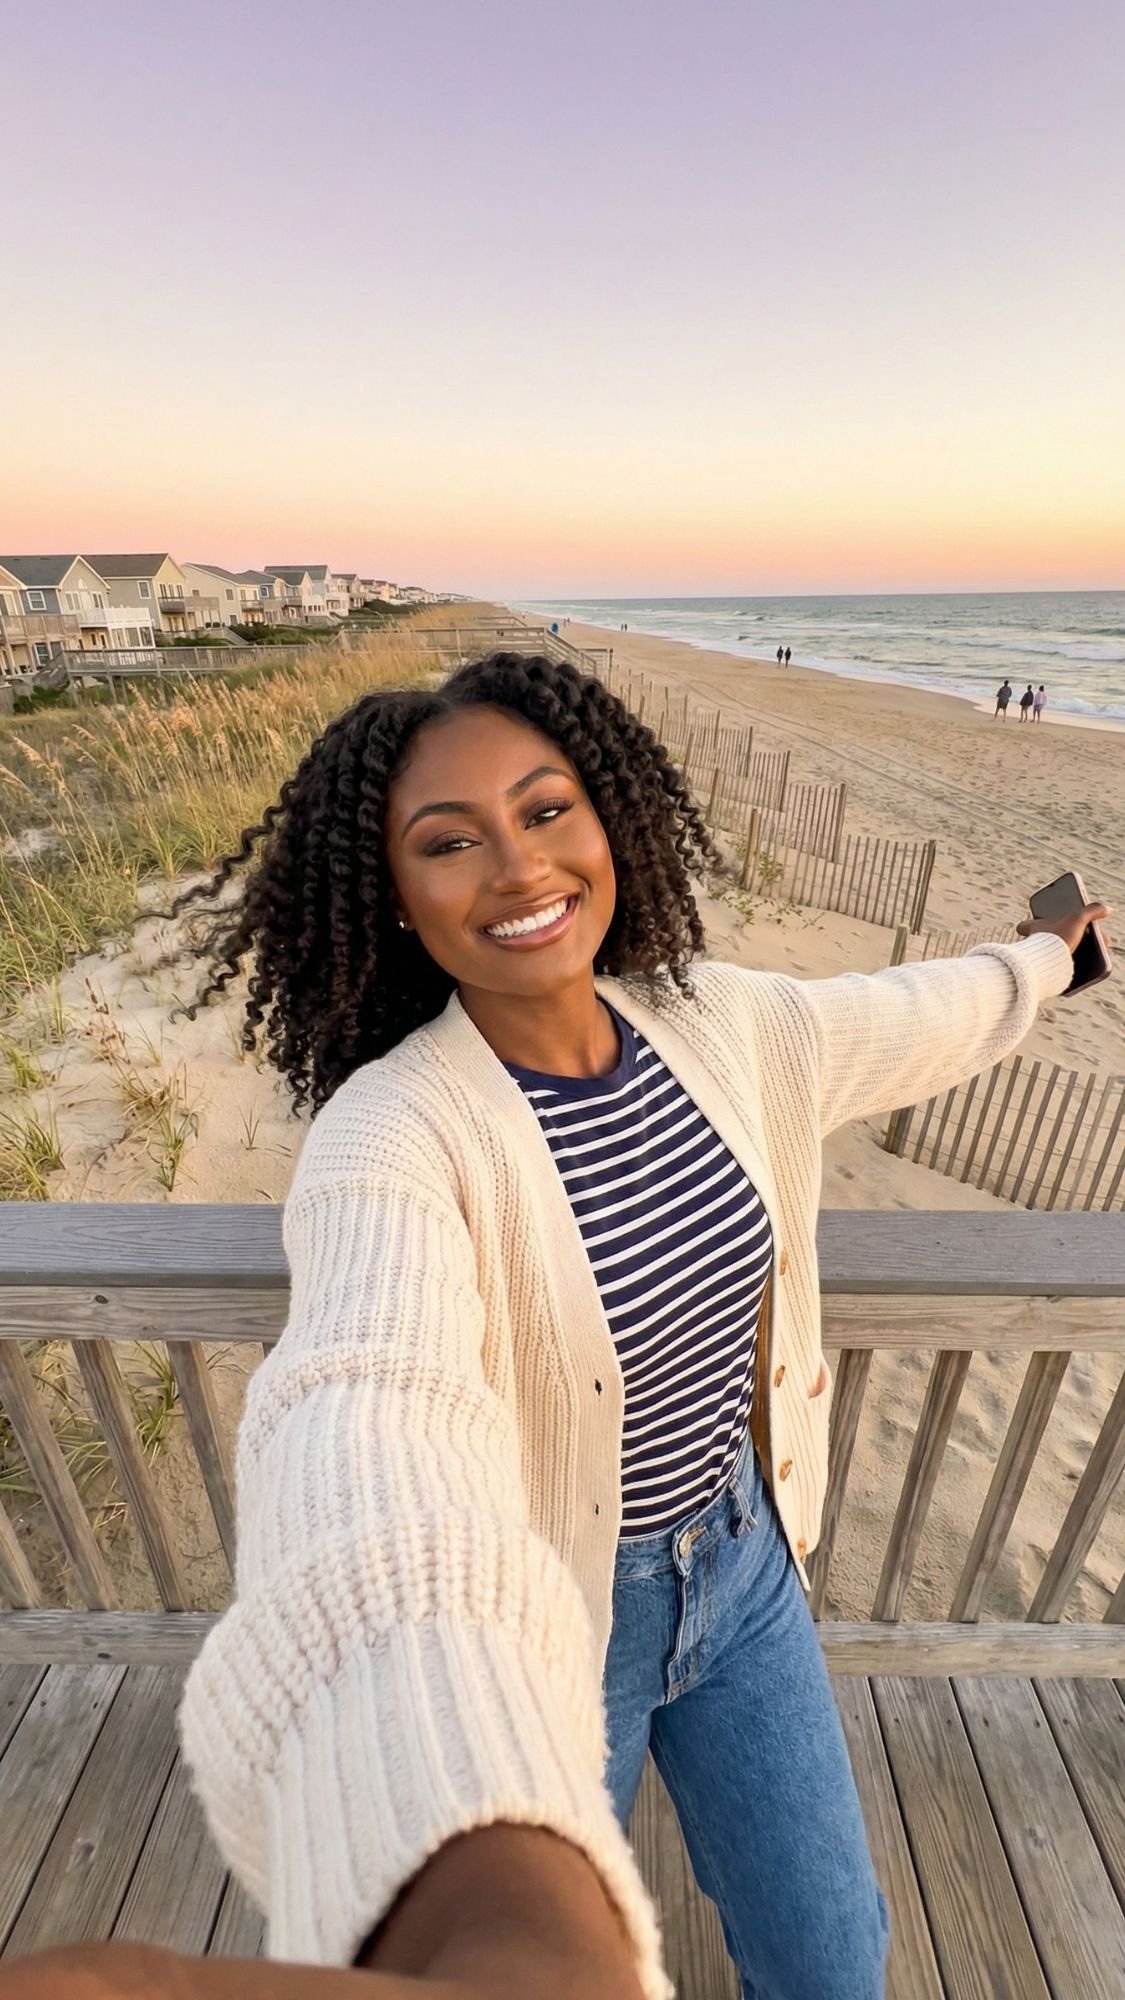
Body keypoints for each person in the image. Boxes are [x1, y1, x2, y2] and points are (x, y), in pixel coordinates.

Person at [17, 655, 1103, 2000]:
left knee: (834, 1955)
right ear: (394, 900)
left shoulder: (727, 1023)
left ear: (610, 822)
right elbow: (367, 1397)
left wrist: (1048, 959)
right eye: (448, 841)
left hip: (747, 1568)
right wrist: (475, 1868)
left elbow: (915, 1013)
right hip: (552, 1620)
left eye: (545, 811)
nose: (518, 869)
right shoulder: (395, 1131)